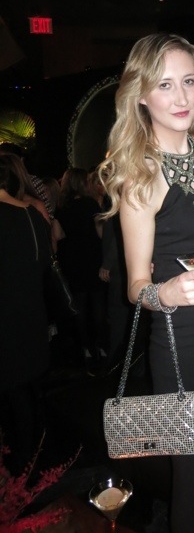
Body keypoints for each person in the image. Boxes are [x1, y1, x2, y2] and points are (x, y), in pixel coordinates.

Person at [99, 32, 194, 533]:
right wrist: (168, 293)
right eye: (164, 85)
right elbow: (135, 285)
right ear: (141, 95)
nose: (181, 97)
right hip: (183, 341)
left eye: (189, 82)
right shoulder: (140, 172)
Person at [0, 155, 52, 475]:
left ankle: (18, 470)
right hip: (31, 313)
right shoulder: (32, 215)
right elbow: (45, 262)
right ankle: (34, 462)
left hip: (5, 320)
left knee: (12, 395)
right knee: (30, 390)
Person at [53, 167, 106, 372]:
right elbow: (100, 233)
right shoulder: (90, 204)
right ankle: (100, 346)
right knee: (98, 304)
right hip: (92, 258)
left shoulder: (62, 207)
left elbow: (57, 235)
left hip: (73, 261)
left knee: (80, 306)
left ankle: (85, 349)